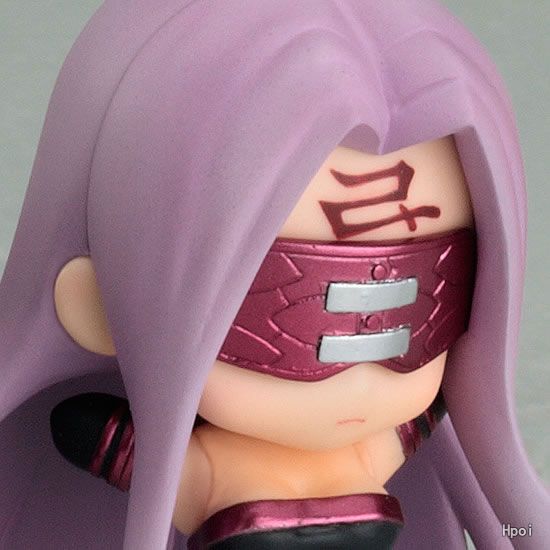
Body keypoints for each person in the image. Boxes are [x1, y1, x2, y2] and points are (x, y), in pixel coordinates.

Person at [0, 1, 547, 548]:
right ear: (102, 303)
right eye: (294, 308)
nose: (357, 368)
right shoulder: (205, 472)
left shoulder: (375, 448)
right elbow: (82, 431)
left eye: (424, 304)